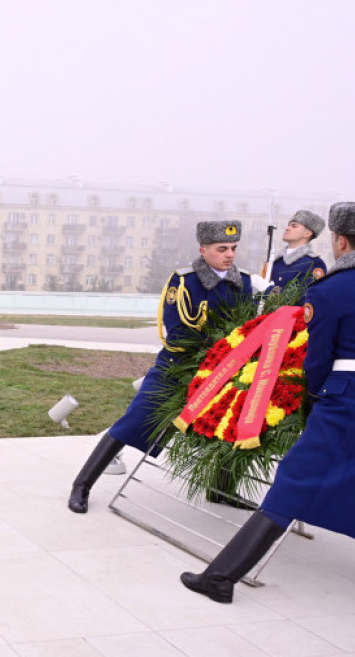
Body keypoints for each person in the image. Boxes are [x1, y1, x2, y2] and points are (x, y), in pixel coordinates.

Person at [182, 202, 355, 603]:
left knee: (292, 482)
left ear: (339, 239)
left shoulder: (332, 289)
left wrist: (314, 403)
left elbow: (318, 361)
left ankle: (221, 578)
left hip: (350, 401)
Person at [68, 220, 253, 513]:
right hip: (178, 366)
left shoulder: (242, 280)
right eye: (222, 249)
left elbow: (246, 327)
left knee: (235, 422)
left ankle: (221, 489)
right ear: (203, 250)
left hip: (222, 371)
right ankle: (82, 485)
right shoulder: (184, 281)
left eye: (233, 248)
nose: (229, 254)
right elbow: (177, 332)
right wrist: (217, 349)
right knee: (134, 422)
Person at [267, 209, 327, 292]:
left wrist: (268, 290)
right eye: (288, 225)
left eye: (294, 226)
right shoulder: (278, 262)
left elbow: (302, 296)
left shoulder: (313, 263)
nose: (287, 228)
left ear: (307, 233)